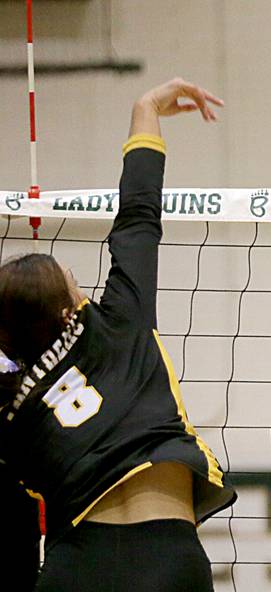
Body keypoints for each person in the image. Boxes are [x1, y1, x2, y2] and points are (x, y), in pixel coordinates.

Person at [0, 78, 236, 591]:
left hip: (74, 567)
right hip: (166, 561)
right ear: (72, 309)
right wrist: (145, 109)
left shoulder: (8, 407)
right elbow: (137, 215)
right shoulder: (119, 321)